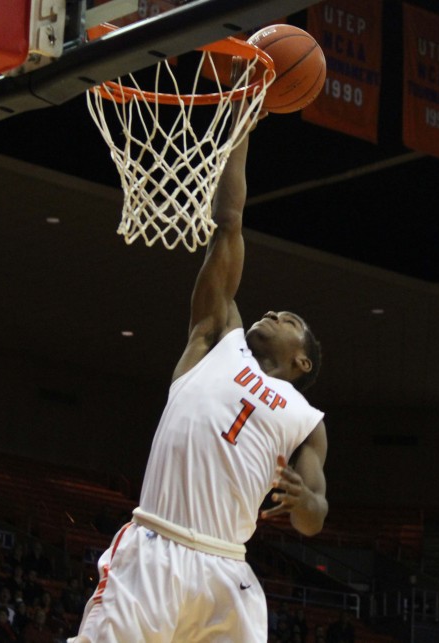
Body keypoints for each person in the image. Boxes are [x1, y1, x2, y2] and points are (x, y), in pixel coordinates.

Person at [71, 106, 328, 643]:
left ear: (302, 362)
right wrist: (239, 134)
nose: (276, 313)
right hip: (154, 548)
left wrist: (307, 503)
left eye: (291, 320)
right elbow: (229, 223)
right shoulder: (216, 340)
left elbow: (314, 518)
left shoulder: (306, 420)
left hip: (225, 568)